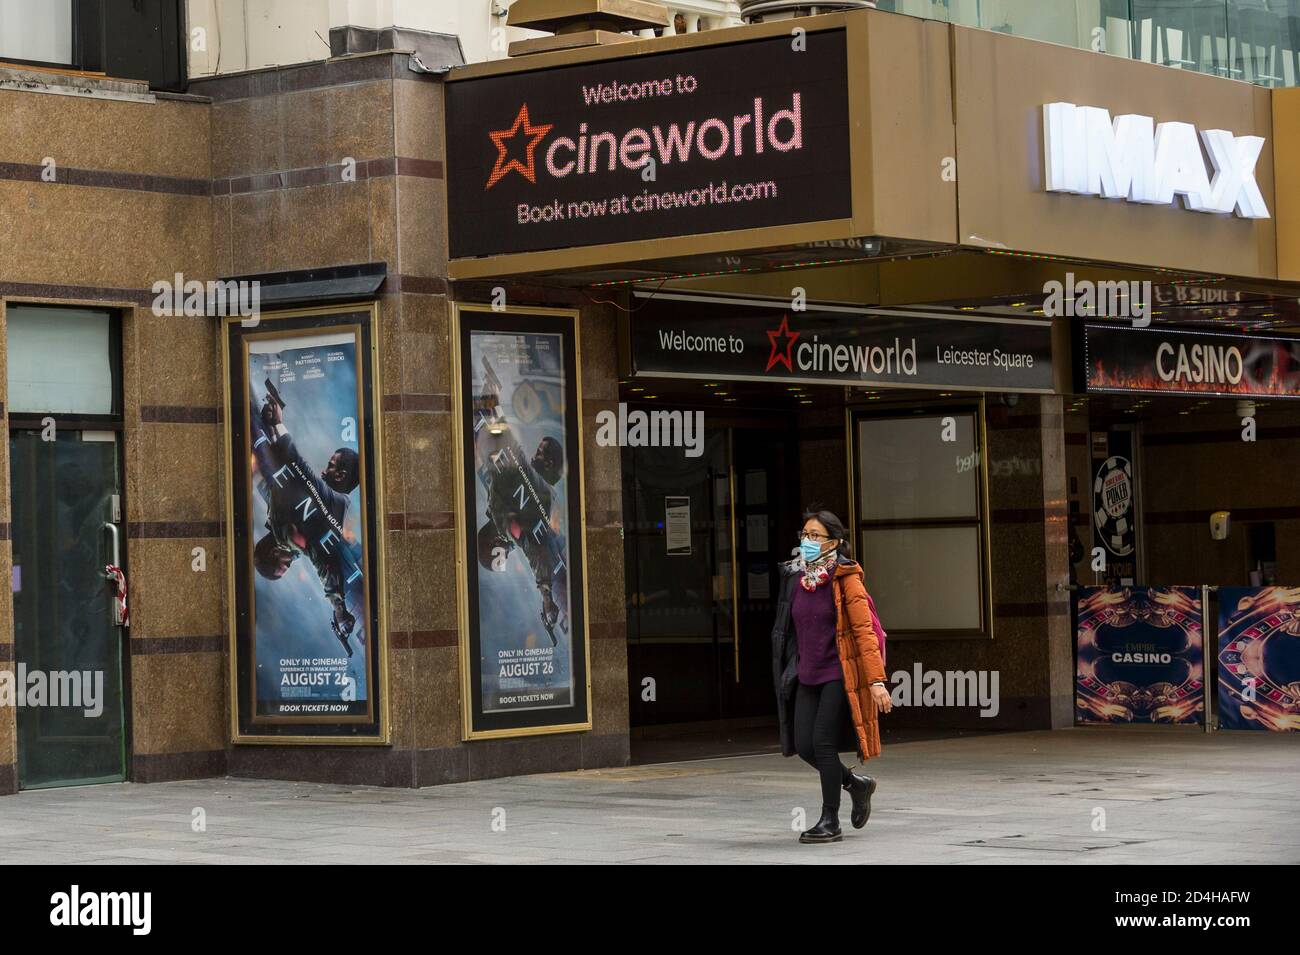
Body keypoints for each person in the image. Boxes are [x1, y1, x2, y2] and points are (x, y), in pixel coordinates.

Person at [771, 509, 892, 844]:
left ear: (835, 542)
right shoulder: (797, 579)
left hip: (837, 672)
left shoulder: (846, 579)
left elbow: (864, 633)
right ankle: (857, 784)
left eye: (815, 536)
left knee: (823, 742)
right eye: (804, 535)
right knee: (804, 745)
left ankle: (829, 820)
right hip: (807, 672)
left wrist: (877, 682)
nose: (807, 541)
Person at [251, 393, 362, 656]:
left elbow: (291, 465)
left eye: (285, 565)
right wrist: (275, 425)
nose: (324, 469)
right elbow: (285, 464)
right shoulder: (323, 508)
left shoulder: (329, 506)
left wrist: (275, 425)